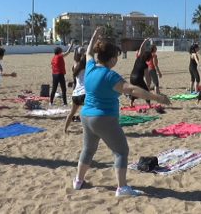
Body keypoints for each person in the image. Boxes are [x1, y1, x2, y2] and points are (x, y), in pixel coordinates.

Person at [73, 28, 170, 196]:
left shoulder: (90, 67)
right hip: (103, 118)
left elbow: (88, 52)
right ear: (112, 59)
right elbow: (132, 90)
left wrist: (94, 36)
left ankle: (78, 181)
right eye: (116, 57)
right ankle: (122, 187)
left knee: (88, 150)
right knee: (121, 151)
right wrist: (157, 97)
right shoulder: (110, 76)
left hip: (86, 116)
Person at [64, 46, 86, 133]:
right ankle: (87, 130)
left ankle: (65, 129)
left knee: (71, 113)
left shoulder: (75, 65)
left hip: (75, 94)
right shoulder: (85, 64)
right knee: (87, 113)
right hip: (84, 93)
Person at [50, 40, 74, 106]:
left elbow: (52, 66)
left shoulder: (53, 57)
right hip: (60, 74)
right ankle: (65, 103)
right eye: (61, 50)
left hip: (54, 74)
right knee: (63, 89)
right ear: (59, 52)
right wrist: (71, 44)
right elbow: (68, 52)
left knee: (54, 89)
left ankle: (51, 102)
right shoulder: (60, 56)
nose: (62, 51)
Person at [130, 38, 152, 108]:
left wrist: (145, 41)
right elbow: (146, 76)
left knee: (135, 90)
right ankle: (149, 105)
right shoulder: (145, 65)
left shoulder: (138, 58)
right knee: (146, 92)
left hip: (132, 77)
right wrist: (148, 84)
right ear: (148, 59)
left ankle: (131, 103)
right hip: (138, 78)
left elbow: (141, 48)